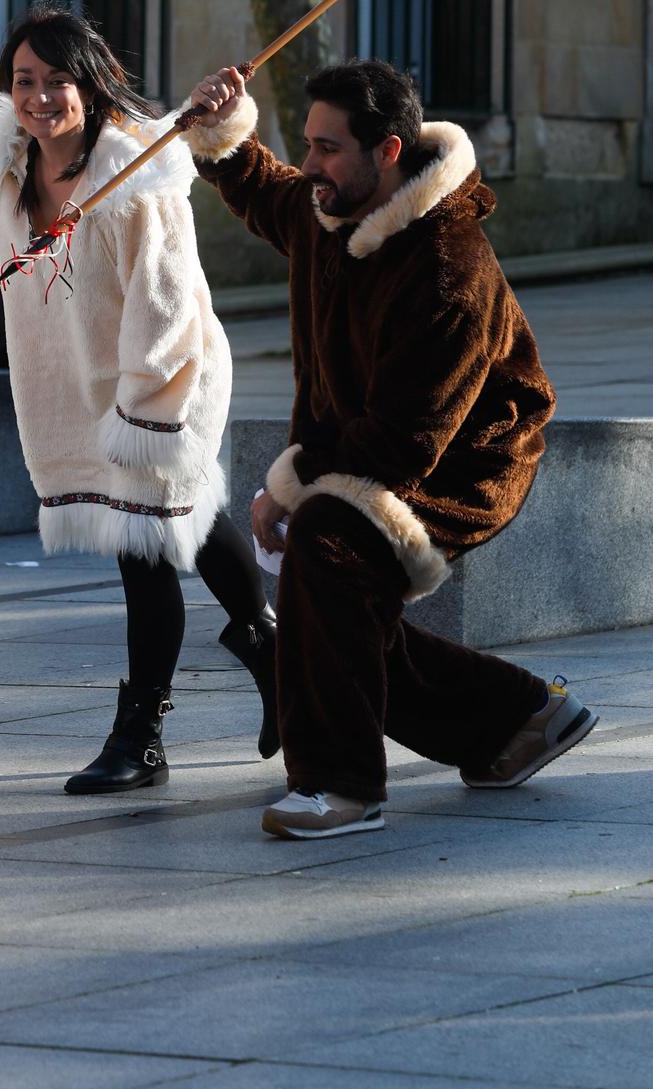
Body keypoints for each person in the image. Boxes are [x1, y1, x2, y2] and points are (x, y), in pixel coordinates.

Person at [0, 0, 277, 793]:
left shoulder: (137, 168)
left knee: (144, 544)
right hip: (75, 384)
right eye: (23, 79)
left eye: (56, 81)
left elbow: (167, 302)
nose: (38, 99)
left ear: (92, 81)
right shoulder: (4, 152)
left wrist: (147, 411)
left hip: (159, 380)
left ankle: (139, 737)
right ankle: (272, 653)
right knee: (188, 516)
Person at [187, 56, 597, 840]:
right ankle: (519, 719)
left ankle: (340, 787)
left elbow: (407, 440)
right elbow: (263, 188)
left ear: (387, 152)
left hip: (467, 461)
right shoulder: (325, 208)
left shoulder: (449, 265)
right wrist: (220, 130)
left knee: (327, 546)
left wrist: (291, 486)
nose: (309, 165)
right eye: (306, 144)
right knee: (336, 616)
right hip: (382, 442)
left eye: (328, 148)